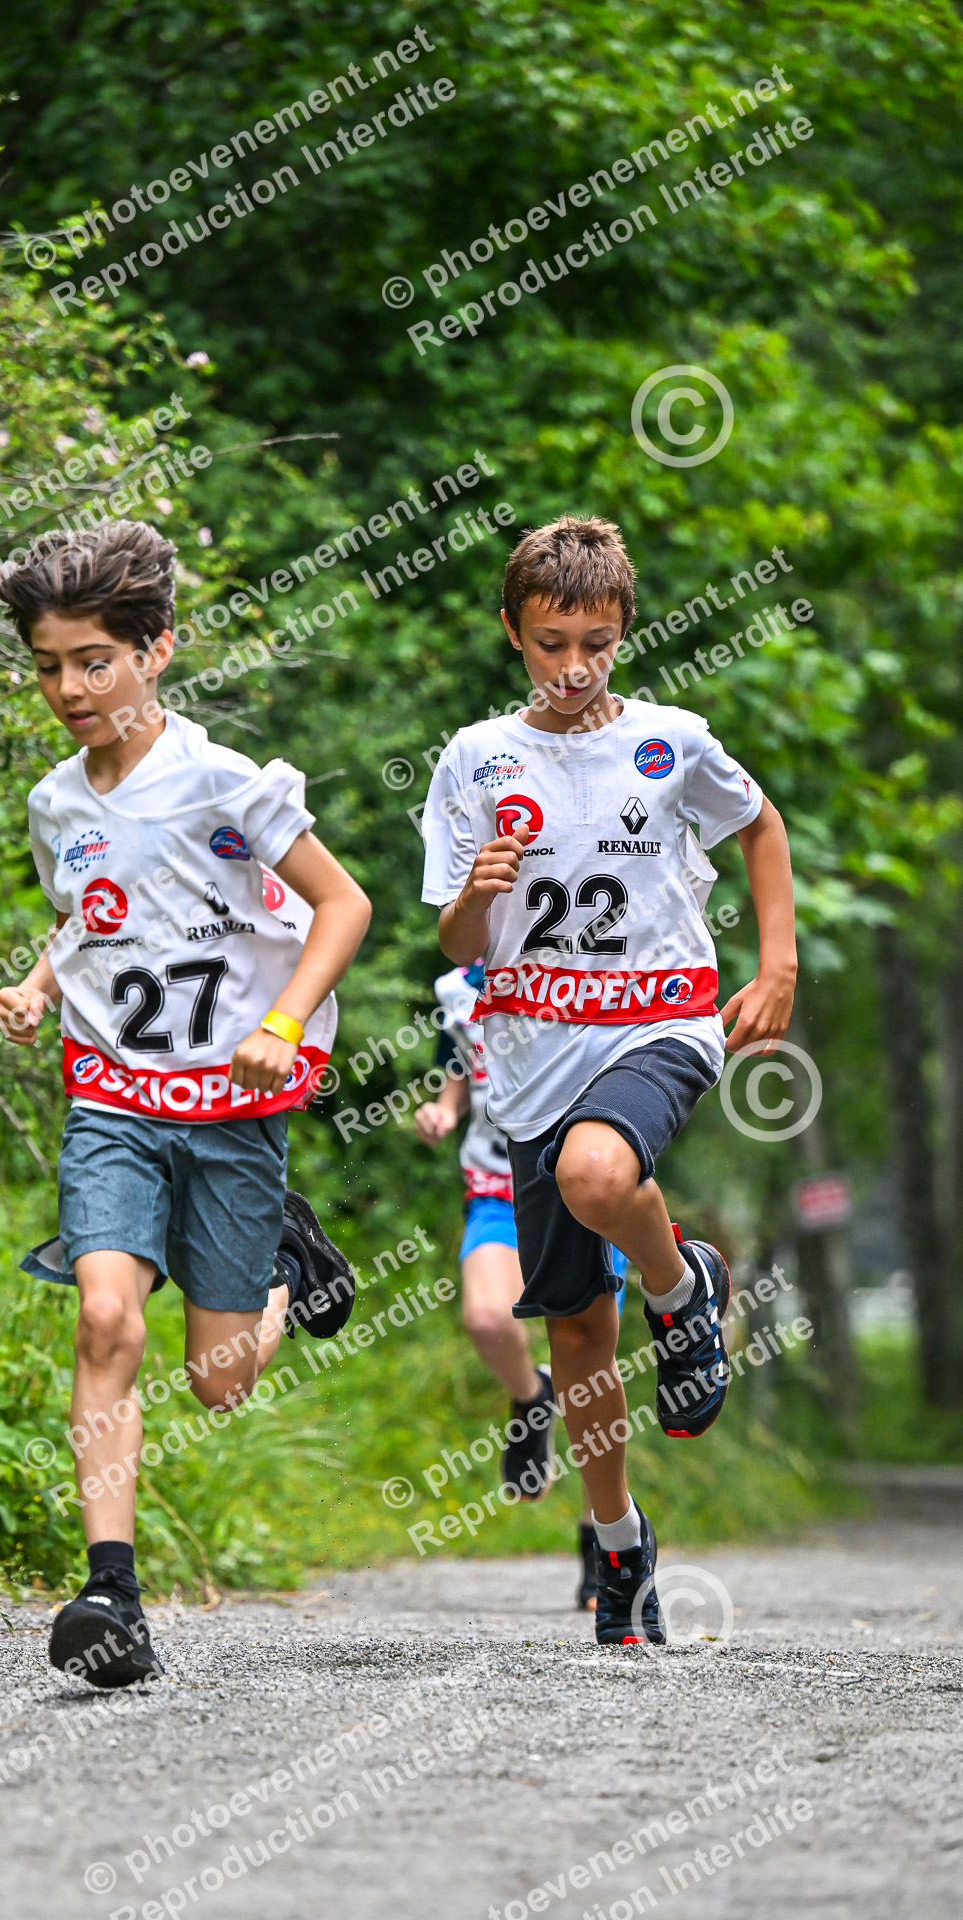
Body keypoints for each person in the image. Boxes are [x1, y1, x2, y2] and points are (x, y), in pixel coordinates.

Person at [0, 522, 371, 1687]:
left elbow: (345, 907)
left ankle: (283, 1263)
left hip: (231, 1105)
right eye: (49, 666)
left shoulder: (225, 785)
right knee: (105, 1319)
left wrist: (281, 1025)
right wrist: (39, 982)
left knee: (218, 1382)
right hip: (113, 1095)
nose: (69, 689)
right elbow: (91, 914)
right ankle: (111, 1593)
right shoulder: (56, 803)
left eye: (94, 661)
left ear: (157, 650)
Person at [421, 514, 796, 1644]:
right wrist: (479, 894)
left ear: (624, 628)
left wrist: (777, 964)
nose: (574, 667)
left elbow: (760, 827)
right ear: (512, 632)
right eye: (550, 644)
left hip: (659, 1022)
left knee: (598, 1173)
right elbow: (454, 944)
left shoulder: (670, 742)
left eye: (595, 642)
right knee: (578, 1333)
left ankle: (679, 1291)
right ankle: (620, 1544)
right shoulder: (474, 758)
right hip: (531, 1055)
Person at [414, 959, 628, 1609]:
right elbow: (460, 1065)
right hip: (496, 1187)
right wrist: (443, 1110)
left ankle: (605, 1543)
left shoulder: (598, 964)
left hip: (584, 1186)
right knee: (486, 1319)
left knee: (590, 1370)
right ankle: (532, 1397)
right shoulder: (458, 988)